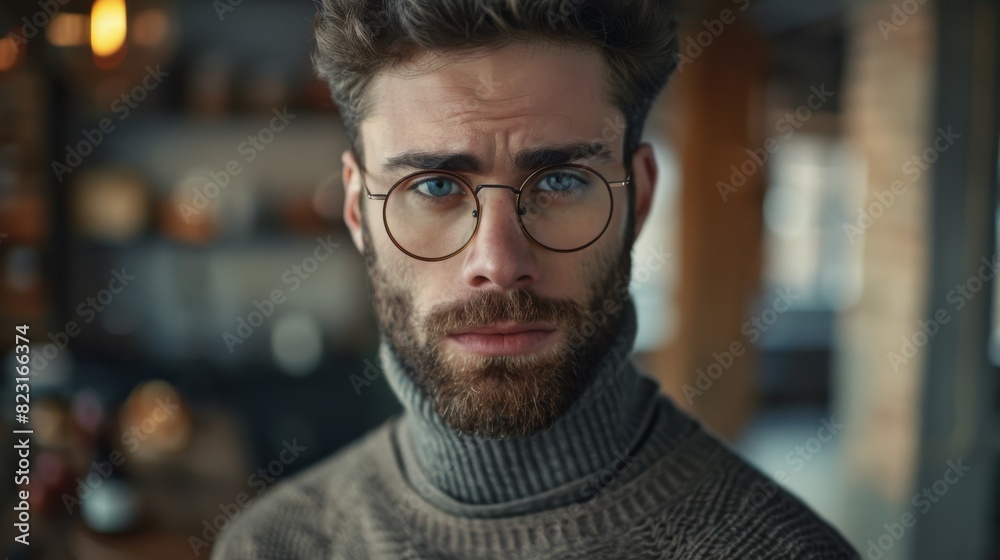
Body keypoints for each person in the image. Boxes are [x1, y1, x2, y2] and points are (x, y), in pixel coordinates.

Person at [213, 1, 860, 558]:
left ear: (638, 198)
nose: (498, 260)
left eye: (559, 181)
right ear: (358, 212)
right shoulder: (270, 546)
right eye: (434, 186)